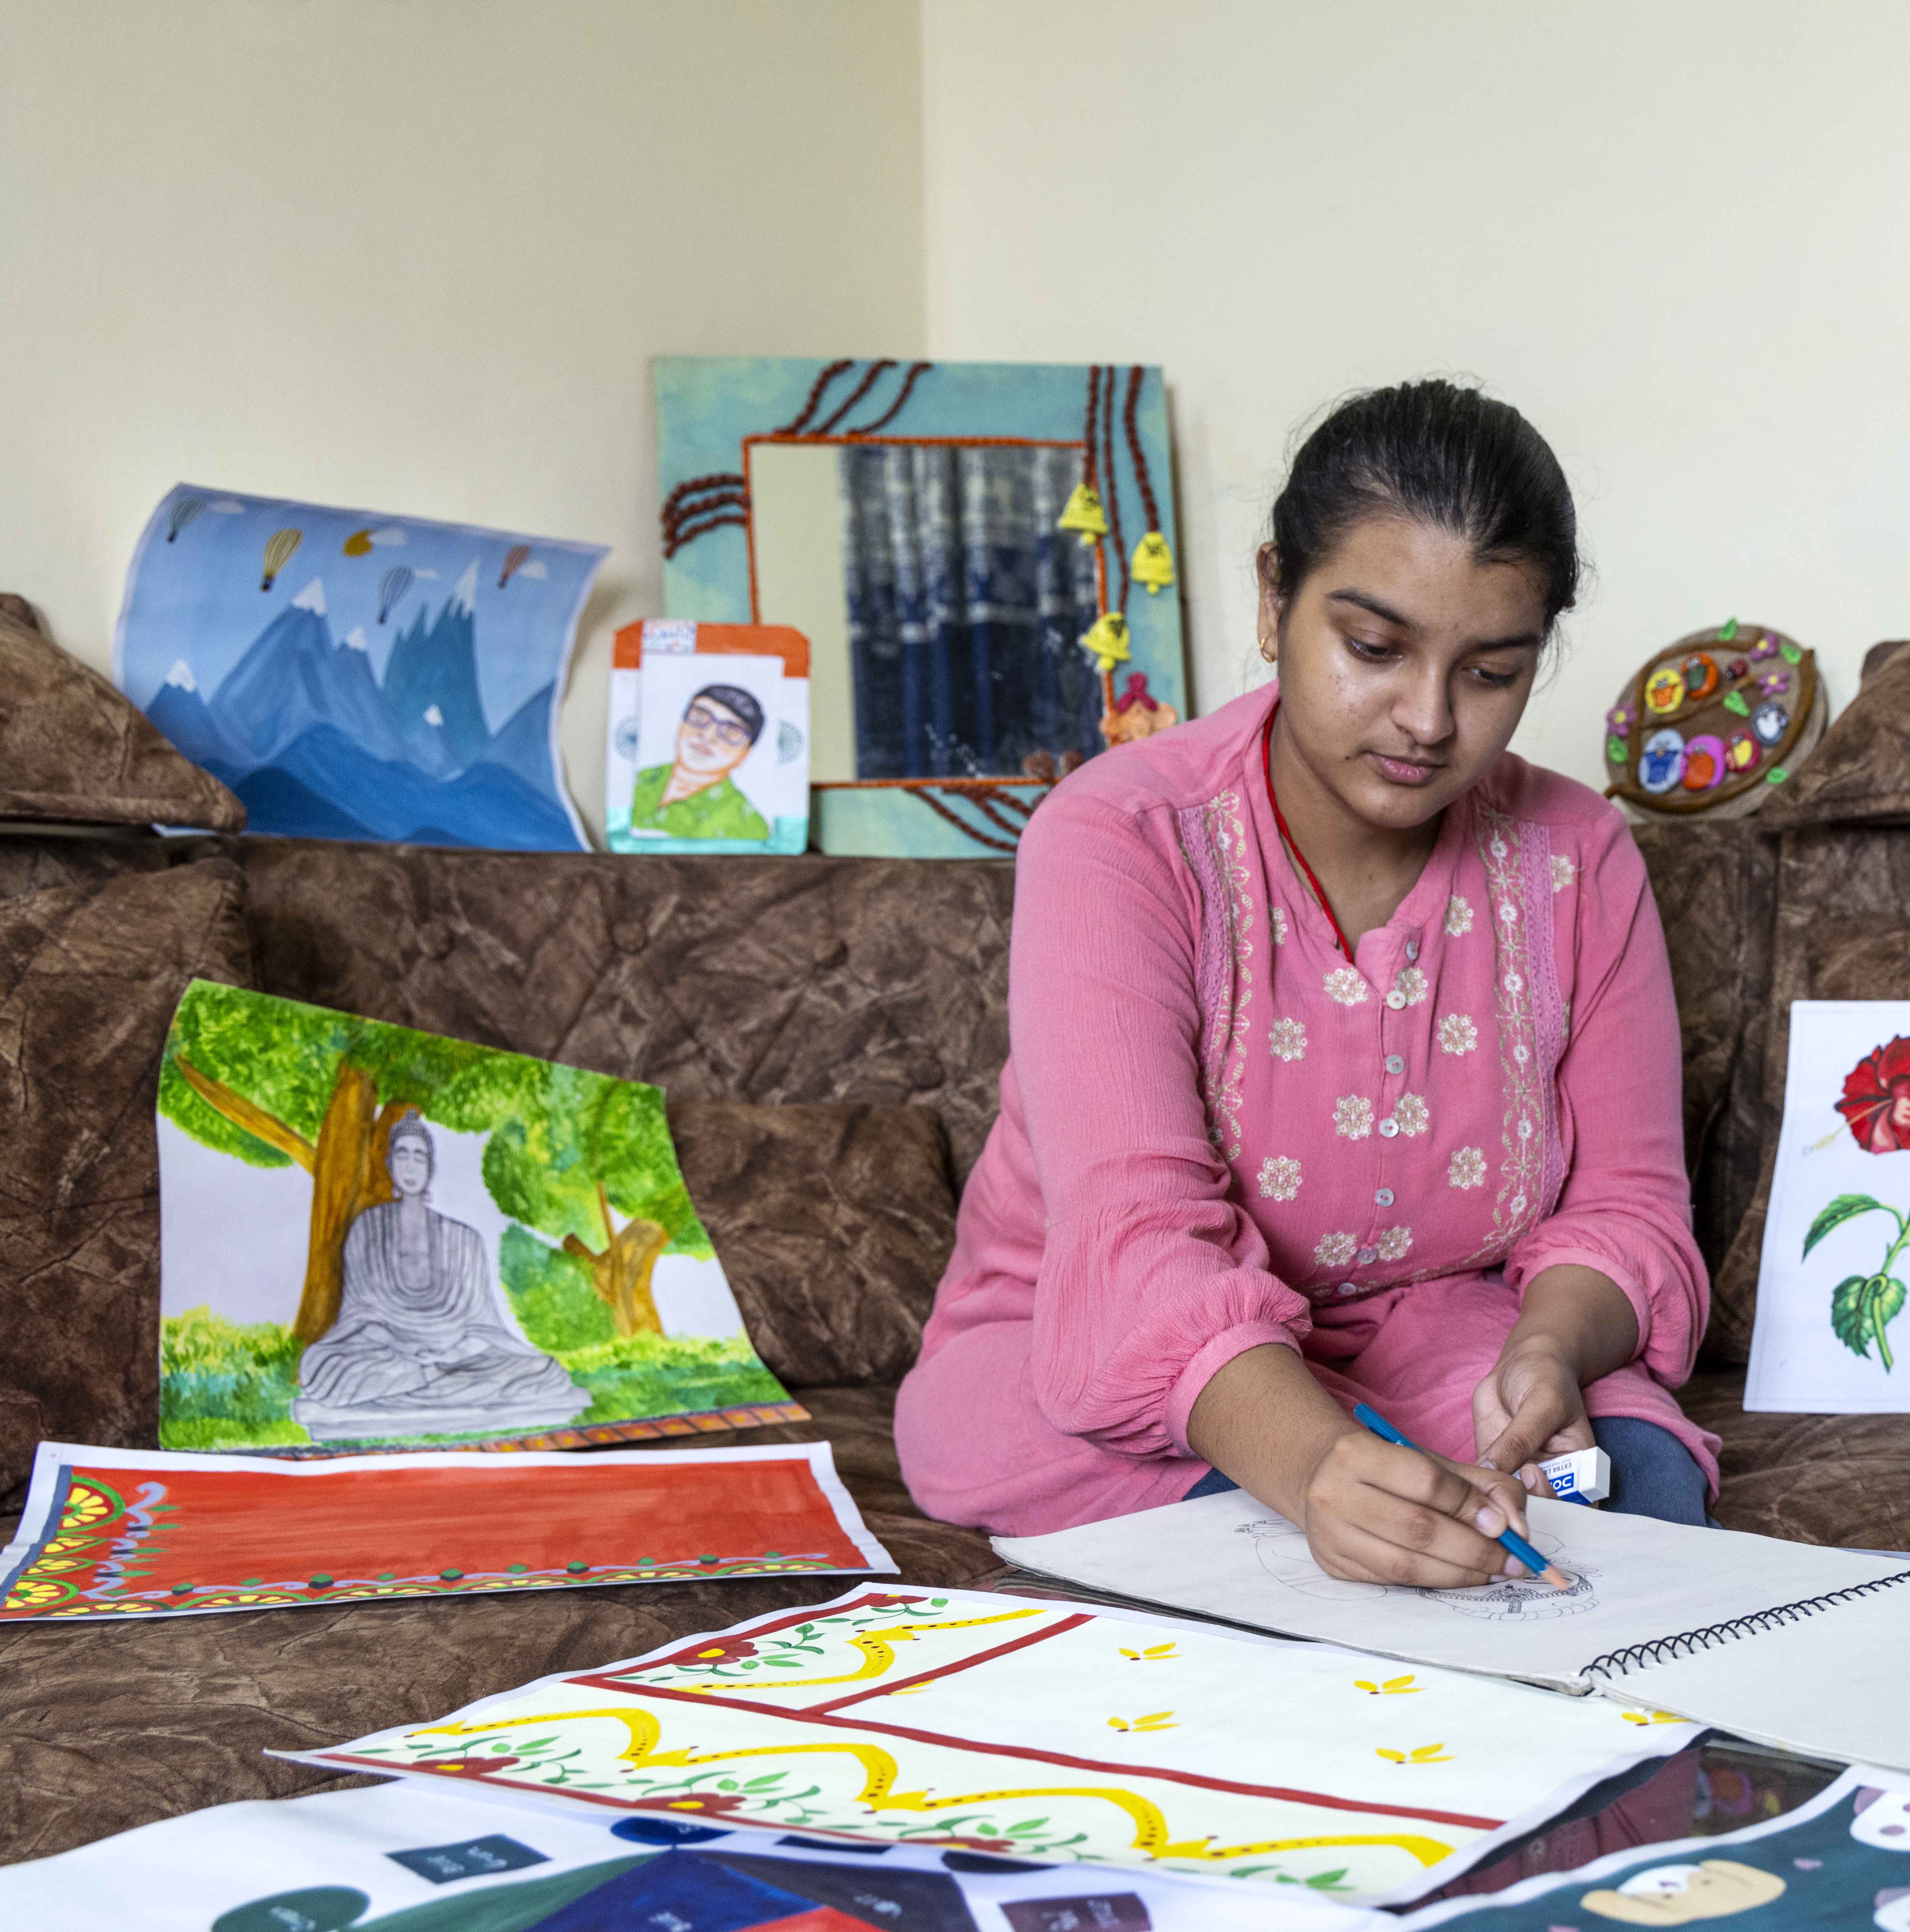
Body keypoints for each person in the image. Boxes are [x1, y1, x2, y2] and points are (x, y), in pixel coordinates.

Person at [895, 379, 1716, 1589]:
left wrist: (1548, 1351)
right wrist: (1320, 1465)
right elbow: (1136, 1242)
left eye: (1491, 672)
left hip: (1451, 1349)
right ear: (1274, 596)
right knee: (1327, 1562)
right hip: (1130, 1359)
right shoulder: (1122, 839)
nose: (1427, 720)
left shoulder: (1577, 856)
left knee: (1642, 1504)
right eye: (1374, 649)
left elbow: (1629, 1209)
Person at [292, 1115, 589, 1440]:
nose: (410, 1166)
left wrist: (450, 1355)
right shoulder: (367, 1230)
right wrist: (404, 1348)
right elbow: (360, 1318)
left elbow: (482, 1327)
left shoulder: (464, 1241)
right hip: (389, 1353)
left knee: (545, 1371)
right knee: (319, 1366)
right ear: (390, 1165)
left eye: (419, 1157)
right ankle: (430, 1381)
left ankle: (423, 1382)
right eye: (402, 1155)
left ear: (431, 1168)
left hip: (454, 1357)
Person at [633, 684, 770, 840]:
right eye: (700, 718)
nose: (708, 736)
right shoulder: (636, 780)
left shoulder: (749, 827)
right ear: (681, 724)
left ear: (745, 755)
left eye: (731, 732)